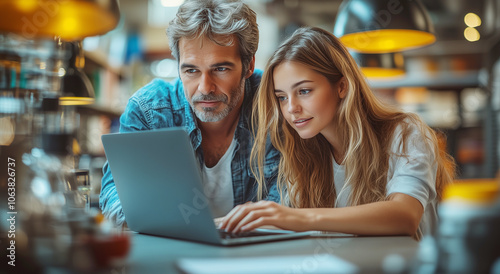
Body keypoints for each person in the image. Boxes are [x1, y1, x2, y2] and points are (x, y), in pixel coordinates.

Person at [220, 27, 456, 240]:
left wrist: (301, 218)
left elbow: (405, 216)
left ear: (342, 86)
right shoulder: (305, 153)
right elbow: (284, 224)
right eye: (282, 97)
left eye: (304, 91)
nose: (291, 108)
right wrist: (224, 224)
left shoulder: (405, 133)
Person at [99, 0, 281, 226]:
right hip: (170, 252)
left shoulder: (275, 105)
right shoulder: (148, 111)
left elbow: (286, 202)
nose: (205, 88)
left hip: (256, 255)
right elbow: (115, 193)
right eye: (191, 70)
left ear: (249, 65)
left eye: (220, 69)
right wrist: (155, 220)